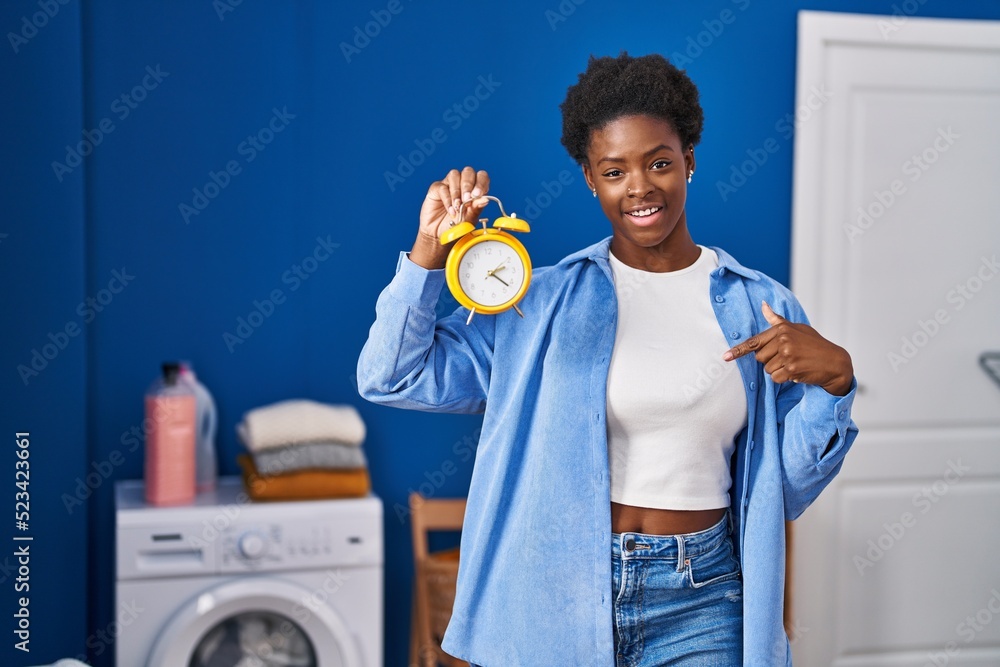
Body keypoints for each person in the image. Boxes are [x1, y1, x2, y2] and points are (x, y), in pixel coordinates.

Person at [358, 52, 858, 666]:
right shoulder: (537, 305)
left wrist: (836, 383)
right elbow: (391, 375)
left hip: (702, 599)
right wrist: (428, 251)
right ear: (592, 180)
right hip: (553, 593)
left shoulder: (760, 306)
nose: (641, 187)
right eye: (615, 171)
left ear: (689, 162)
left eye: (660, 163)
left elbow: (783, 489)